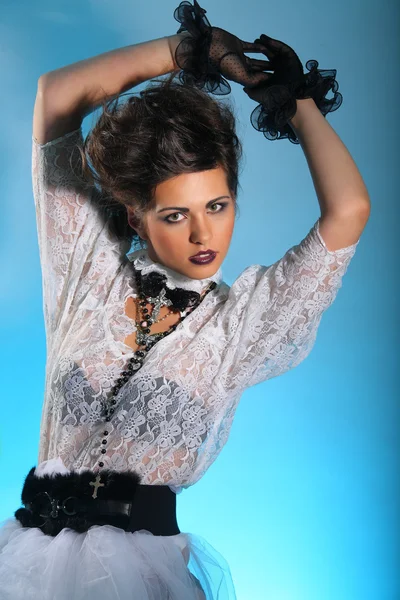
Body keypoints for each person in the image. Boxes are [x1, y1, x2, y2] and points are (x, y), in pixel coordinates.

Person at [0, 1, 370, 598]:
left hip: (143, 577)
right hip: (26, 561)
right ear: (137, 218)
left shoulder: (241, 325)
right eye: (176, 215)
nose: (204, 235)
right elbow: (57, 95)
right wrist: (190, 51)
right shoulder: (84, 274)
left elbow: (349, 212)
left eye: (217, 207)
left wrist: (289, 98)